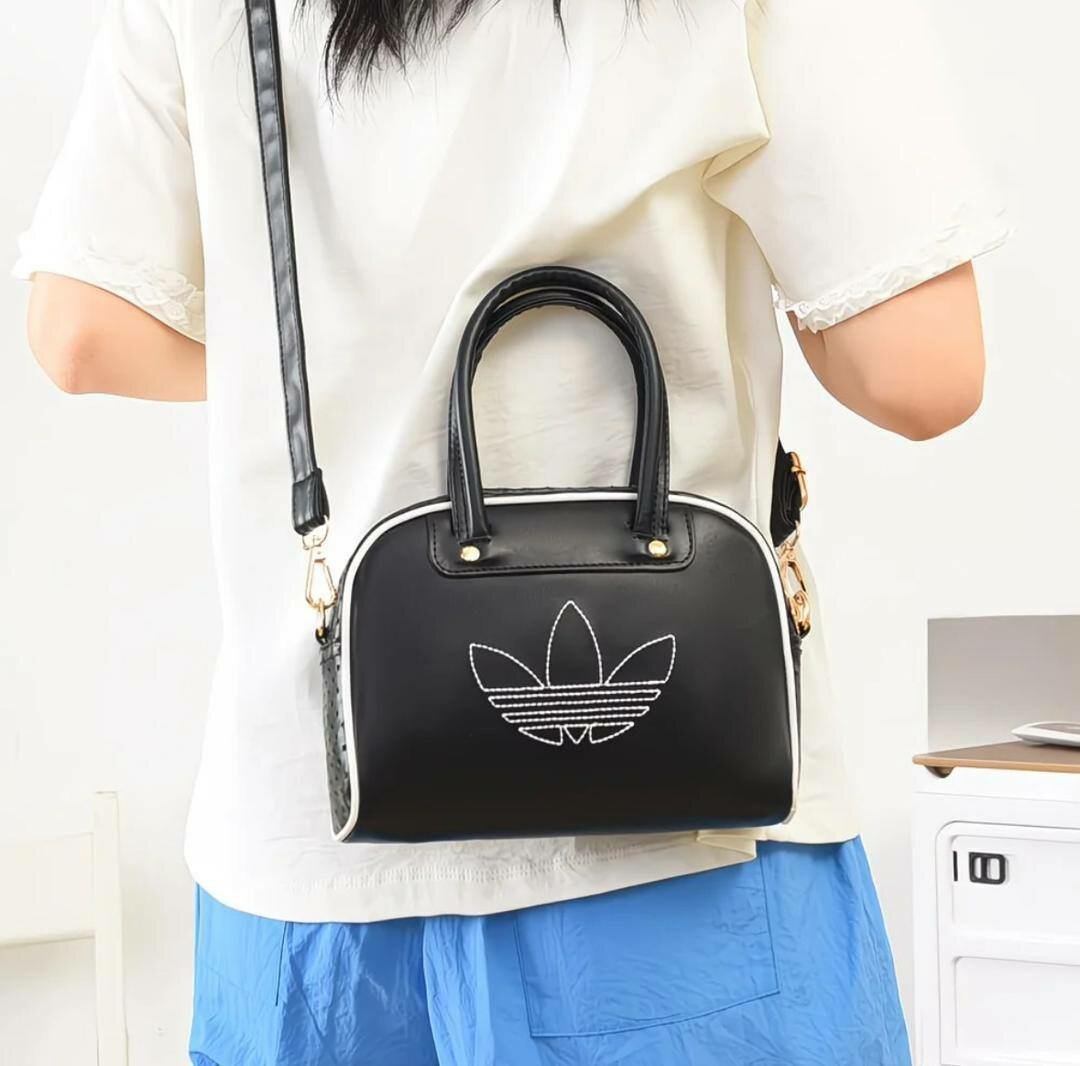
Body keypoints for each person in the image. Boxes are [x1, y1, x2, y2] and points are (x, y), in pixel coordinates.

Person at [17, 1, 1006, 1063]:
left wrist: (358, 385)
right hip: (673, 854)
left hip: (307, 870)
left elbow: (82, 330)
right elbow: (921, 371)